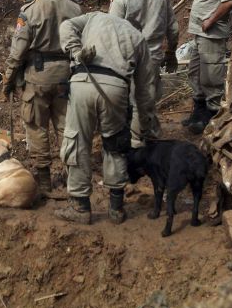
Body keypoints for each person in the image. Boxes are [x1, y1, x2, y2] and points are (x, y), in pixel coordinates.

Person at [55, 12, 156, 225]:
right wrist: (142, 127)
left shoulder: (95, 17)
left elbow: (66, 24)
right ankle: (116, 209)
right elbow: (145, 90)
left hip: (82, 81)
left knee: (77, 142)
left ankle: (80, 207)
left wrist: (74, 50)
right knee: (115, 144)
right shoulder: (138, 38)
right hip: (117, 88)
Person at [2, 0, 83, 192]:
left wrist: (8, 80)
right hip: (67, 76)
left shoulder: (29, 11)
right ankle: (72, 178)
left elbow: (17, 53)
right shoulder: (75, 8)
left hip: (37, 78)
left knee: (36, 126)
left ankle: (45, 180)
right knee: (67, 127)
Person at [109, 0, 179, 147]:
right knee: (148, 98)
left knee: (135, 102)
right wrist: (170, 53)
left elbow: (111, 31)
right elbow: (173, 28)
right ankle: (153, 135)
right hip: (154, 56)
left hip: (129, 58)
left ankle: (138, 145)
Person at [183, 0, 232, 134]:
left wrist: (210, 20)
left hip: (211, 35)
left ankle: (212, 116)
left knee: (211, 76)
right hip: (200, 34)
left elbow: (229, 1)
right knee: (195, 72)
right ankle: (199, 111)